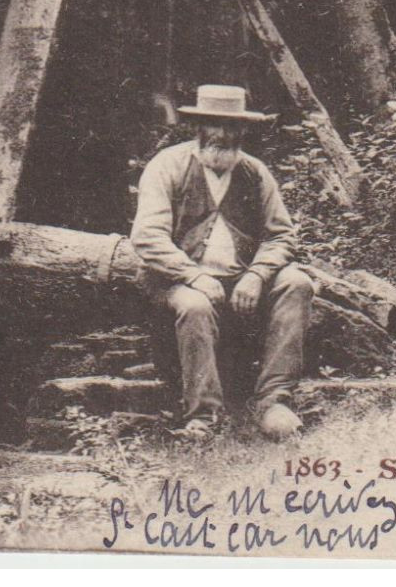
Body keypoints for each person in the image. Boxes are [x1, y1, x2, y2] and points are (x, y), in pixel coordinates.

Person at [130, 84, 314, 440]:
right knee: (195, 304)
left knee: (298, 283)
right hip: (176, 282)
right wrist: (193, 275)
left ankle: (274, 402)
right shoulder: (167, 166)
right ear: (198, 126)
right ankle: (204, 416)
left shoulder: (254, 172)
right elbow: (147, 238)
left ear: (243, 131)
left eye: (231, 127)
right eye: (214, 124)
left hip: (240, 280)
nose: (222, 134)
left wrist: (258, 275)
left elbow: (281, 234)